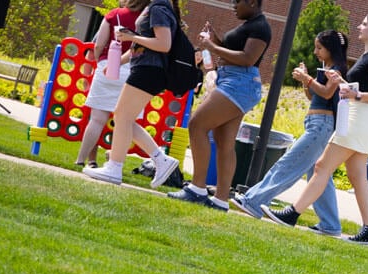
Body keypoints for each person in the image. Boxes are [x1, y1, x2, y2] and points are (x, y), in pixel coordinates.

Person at [263, 13, 368, 245]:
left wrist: (357, 94)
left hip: (358, 119)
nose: (359, 26)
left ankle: (293, 213)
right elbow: (357, 90)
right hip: (359, 118)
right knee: (357, 177)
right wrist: (341, 81)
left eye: (364, 24)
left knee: (322, 165)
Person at [230, 29, 349, 235]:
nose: (315, 52)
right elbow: (315, 97)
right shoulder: (327, 68)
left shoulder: (336, 70)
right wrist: (306, 81)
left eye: (319, 48)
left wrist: (308, 78)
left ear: (331, 49)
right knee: (319, 175)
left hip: (321, 125)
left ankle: (254, 201)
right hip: (316, 122)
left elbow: (328, 92)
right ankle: (330, 224)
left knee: (288, 164)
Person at [167, 0, 270, 210]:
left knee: (197, 124)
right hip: (235, 81)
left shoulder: (260, 26)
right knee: (224, 141)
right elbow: (235, 54)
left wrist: (212, 47)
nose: (233, 4)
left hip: (239, 83)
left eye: (237, 1)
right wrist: (216, 41)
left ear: (251, 2)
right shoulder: (251, 23)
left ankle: (197, 188)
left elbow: (248, 58)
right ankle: (221, 199)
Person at [81, 0, 182, 188]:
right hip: (146, 69)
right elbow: (142, 46)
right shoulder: (155, 8)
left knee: (122, 116)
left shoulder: (158, 8)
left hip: (149, 70)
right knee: (124, 118)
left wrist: (132, 38)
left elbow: (163, 44)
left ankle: (116, 168)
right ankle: (159, 161)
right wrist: (118, 62)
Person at [75, 0, 147, 169]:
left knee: (97, 120)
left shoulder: (114, 15)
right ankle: (114, 163)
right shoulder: (147, 19)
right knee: (126, 122)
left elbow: (99, 44)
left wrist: (102, 61)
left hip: (108, 67)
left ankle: (80, 159)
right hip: (133, 71)